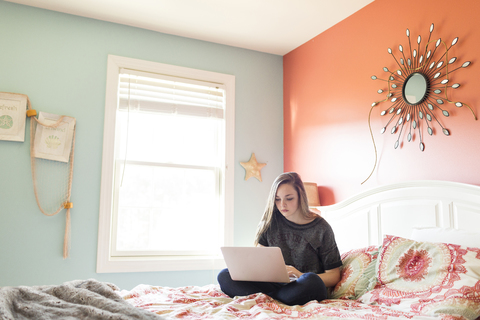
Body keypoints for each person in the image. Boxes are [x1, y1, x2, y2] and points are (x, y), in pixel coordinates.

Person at [217, 172, 342, 306]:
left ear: (301, 197)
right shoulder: (270, 222)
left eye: (289, 198)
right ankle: (274, 300)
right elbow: (259, 260)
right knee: (225, 275)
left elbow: (334, 275)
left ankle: (265, 299)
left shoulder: (321, 228)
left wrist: (300, 274)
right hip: (273, 286)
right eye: (277, 199)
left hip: (302, 286)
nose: (282, 204)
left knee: (311, 280)